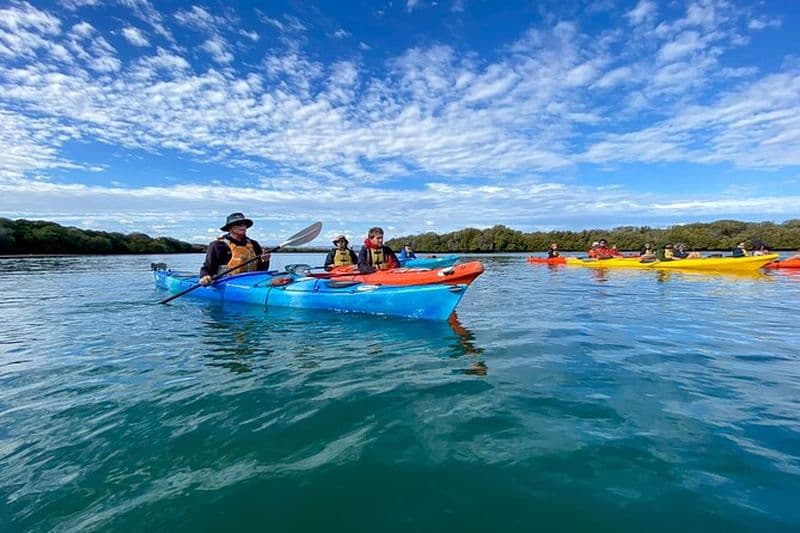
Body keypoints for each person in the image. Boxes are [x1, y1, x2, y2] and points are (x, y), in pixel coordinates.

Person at [199, 212, 270, 285]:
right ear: (230, 228)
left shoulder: (254, 244)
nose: (243, 226)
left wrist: (265, 261)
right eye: (239, 224)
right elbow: (207, 268)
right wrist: (204, 276)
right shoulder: (217, 245)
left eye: (244, 224)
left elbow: (261, 270)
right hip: (226, 284)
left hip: (251, 283)